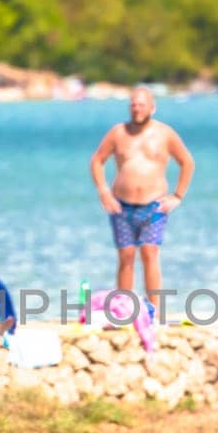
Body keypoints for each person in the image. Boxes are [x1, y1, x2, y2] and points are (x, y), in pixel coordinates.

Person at [89, 87, 195, 308]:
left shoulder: (165, 134)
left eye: (142, 104)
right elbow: (97, 160)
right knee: (126, 256)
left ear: (152, 107)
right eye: (134, 104)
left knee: (150, 253)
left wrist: (177, 196)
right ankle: (125, 309)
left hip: (154, 205)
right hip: (121, 205)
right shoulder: (118, 133)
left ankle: (154, 311)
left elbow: (187, 162)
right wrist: (104, 192)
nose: (137, 109)